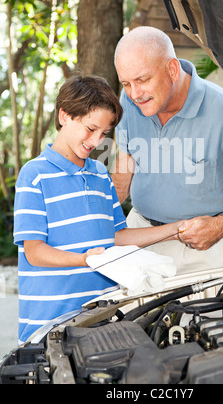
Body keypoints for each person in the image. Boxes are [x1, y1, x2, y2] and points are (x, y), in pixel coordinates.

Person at [13, 73, 182, 344]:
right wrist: (85, 259)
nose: (95, 141)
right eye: (90, 129)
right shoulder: (34, 175)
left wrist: (173, 231)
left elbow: (116, 236)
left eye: (103, 133)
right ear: (64, 116)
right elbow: (34, 252)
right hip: (48, 329)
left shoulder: (101, 174)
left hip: (103, 320)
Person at [111, 26, 223, 275]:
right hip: (144, 239)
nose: (135, 93)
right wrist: (98, 222)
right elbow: (125, 165)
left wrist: (222, 224)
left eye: (142, 80)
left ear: (172, 69)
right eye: (126, 83)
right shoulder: (129, 102)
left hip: (209, 250)